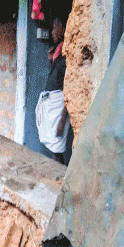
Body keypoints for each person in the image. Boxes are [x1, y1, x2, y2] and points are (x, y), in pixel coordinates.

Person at [36, 16, 71, 164]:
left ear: (64, 29)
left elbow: (70, 89)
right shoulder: (57, 53)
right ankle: (57, 170)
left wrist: (63, 119)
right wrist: (52, 59)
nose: (52, 32)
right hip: (51, 103)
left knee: (58, 147)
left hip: (59, 106)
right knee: (54, 147)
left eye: (56, 28)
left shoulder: (68, 55)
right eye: (52, 29)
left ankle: (59, 172)